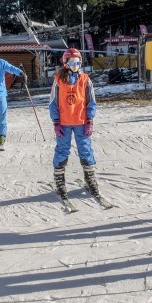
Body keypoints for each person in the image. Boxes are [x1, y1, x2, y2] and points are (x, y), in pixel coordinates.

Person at [49, 48, 111, 211]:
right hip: (64, 122)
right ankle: (60, 181)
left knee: (85, 149)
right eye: (72, 62)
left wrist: (90, 120)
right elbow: (53, 102)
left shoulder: (85, 80)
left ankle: (90, 179)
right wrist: (56, 122)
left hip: (81, 122)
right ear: (66, 63)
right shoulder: (58, 80)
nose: (75, 65)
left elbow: (91, 102)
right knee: (62, 150)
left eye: (78, 62)